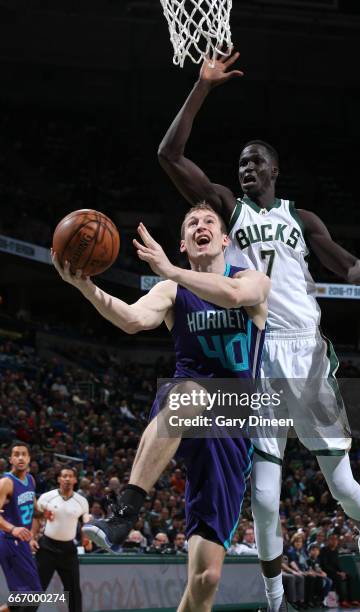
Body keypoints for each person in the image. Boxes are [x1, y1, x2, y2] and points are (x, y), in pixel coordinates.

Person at [156, 51, 360, 609]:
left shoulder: (301, 219)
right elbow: (168, 154)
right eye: (241, 162)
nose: (246, 168)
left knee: (340, 483)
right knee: (264, 499)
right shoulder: (227, 210)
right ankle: (274, 601)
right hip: (259, 356)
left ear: (274, 170)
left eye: (256, 162)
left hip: (307, 356)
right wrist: (201, 87)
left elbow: (348, 268)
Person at [53, 206, 271, 612]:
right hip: (186, 400)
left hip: (234, 425)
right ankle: (124, 511)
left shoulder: (250, 278)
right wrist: (86, 287)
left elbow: (238, 297)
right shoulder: (172, 291)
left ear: (225, 240)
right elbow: (133, 320)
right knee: (192, 393)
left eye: (210, 223)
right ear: (183, 244)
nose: (201, 227)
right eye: (191, 224)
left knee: (206, 578)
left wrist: (170, 269)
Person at [0, 442, 53, 612]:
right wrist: (12, 529)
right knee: (31, 594)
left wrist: (43, 514)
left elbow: (33, 508)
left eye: (24, 454)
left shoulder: (30, 479)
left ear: (29, 458)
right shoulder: (6, 483)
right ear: (10, 459)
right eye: (16, 454)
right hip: (8, 541)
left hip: (21, 542)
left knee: (23, 597)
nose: (20, 457)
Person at [31, 467, 90, 612]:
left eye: (70, 476)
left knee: (73, 590)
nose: (67, 479)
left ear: (75, 480)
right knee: (36, 588)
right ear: (59, 479)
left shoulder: (82, 501)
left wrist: (87, 540)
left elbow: (86, 524)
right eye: (64, 476)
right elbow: (36, 519)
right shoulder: (46, 497)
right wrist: (32, 538)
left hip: (68, 550)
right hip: (46, 548)